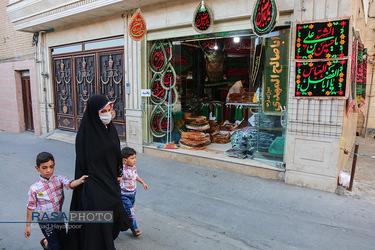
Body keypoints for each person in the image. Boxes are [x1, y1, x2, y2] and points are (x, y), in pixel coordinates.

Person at [66, 95, 130, 250]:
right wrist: (85, 181)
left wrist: (119, 173)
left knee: (113, 211)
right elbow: (82, 162)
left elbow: (116, 153)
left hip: (110, 180)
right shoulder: (85, 135)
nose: (108, 114)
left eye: (109, 110)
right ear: (95, 113)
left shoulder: (110, 130)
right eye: (104, 111)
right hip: (94, 182)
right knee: (99, 217)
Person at [24, 152, 88, 250]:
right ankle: (48, 243)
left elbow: (70, 184)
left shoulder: (59, 179)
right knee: (55, 245)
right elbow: (30, 208)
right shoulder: (34, 189)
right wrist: (28, 226)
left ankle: (46, 242)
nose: (48, 170)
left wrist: (80, 180)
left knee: (63, 240)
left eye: (51, 166)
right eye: (44, 168)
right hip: (45, 221)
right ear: (37, 168)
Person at [120, 147, 148, 237]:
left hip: (133, 194)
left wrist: (143, 182)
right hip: (124, 195)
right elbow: (117, 180)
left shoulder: (133, 167)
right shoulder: (122, 170)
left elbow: (136, 176)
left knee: (128, 211)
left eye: (135, 157)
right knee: (131, 212)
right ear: (124, 160)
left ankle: (121, 222)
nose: (134, 160)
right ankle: (134, 229)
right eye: (132, 158)